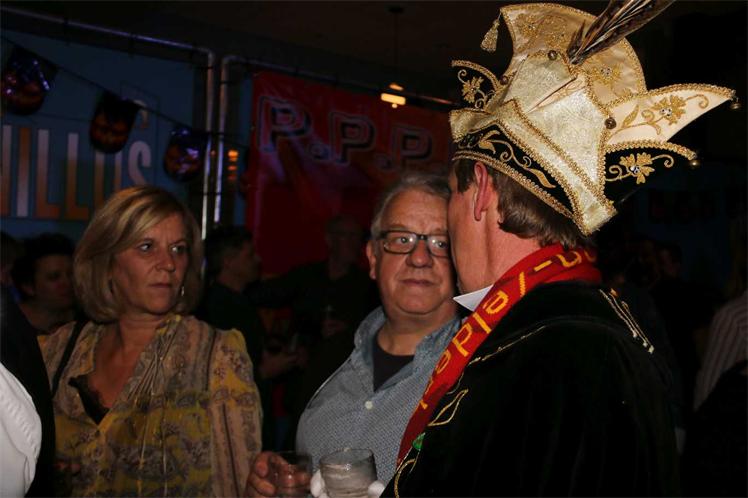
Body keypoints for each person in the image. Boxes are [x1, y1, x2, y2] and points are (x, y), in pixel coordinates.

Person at [385, 2, 735, 496]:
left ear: (480, 189)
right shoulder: (581, 327)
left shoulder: (549, 351)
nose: (449, 219)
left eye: (452, 195)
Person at [246, 171, 460, 496]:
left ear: (460, 259)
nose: (420, 257)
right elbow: (298, 469)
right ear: (373, 258)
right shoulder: (328, 358)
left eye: (440, 243)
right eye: (402, 239)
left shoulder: (479, 372)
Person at [38, 185, 262, 497]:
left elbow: (238, 485)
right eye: (146, 247)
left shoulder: (217, 356)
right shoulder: (60, 349)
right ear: (107, 262)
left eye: (178, 249)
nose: (168, 263)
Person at [197, 225, 298, 448]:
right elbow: (216, 376)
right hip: (235, 429)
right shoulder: (218, 308)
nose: (258, 260)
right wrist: (265, 372)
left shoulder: (239, 302)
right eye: (250, 254)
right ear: (229, 261)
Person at [11, 232, 77, 334]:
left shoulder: (87, 319)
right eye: (54, 277)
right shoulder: (9, 323)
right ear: (28, 286)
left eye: (71, 274)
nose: (67, 283)